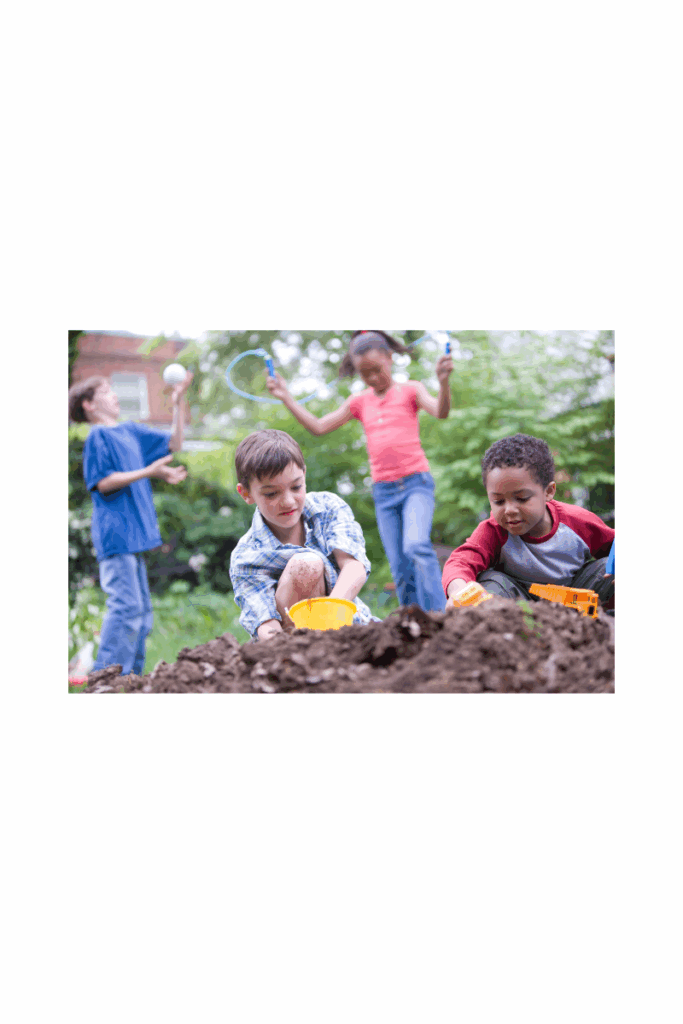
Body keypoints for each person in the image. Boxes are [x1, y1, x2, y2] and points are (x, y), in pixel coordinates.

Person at [265, 330, 452, 612]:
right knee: (399, 566)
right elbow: (318, 426)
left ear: (390, 358)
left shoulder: (411, 390)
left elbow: (441, 411)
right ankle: (413, 624)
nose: (373, 378)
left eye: (377, 369)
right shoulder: (359, 402)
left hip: (416, 484)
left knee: (416, 546)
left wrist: (443, 382)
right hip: (384, 492)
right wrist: (286, 397)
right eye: (365, 374)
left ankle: (442, 617)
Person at [68, 372, 193, 674]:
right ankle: (107, 679)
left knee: (142, 613)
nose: (114, 396)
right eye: (106, 390)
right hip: (116, 536)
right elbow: (103, 482)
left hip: (135, 536)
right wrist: (148, 471)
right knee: (126, 609)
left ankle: (132, 681)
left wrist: (176, 404)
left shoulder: (130, 432)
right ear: (89, 404)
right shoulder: (99, 436)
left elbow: (174, 442)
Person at [229, 429, 378, 640]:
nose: (288, 501)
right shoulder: (247, 556)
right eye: (271, 493)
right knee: (307, 565)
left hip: (348, 630)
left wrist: (330, 616)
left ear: (304, 476)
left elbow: (354, 567)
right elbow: (266, 624)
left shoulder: (328, 507)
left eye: (296, 487)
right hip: (293, 646)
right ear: (246, 493)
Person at [442, 433, 615, 608]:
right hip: (518, 608)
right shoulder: (494, 530)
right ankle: (499, 627)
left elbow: (614, 543)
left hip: (577, 602)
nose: (509, 510)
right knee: (489, 580)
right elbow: (461, 561)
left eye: (522, 498)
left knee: (610, 568)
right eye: (499, 501)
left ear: (548, 492)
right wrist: (458, 590)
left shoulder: (577, 521)